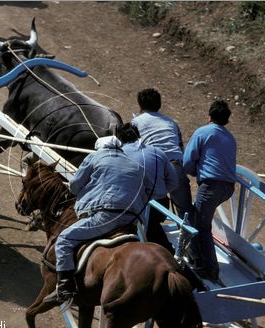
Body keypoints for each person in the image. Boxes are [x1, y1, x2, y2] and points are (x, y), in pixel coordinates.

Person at [43, 136, 151, 304]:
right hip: (132, 220)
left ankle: (64, 287)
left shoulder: (94, 157)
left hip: (106, 216)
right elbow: (148, 190)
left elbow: (75, 185)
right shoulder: (137, 165)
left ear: (100, 147)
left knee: (64, 239)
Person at [183, 100, 236, 281]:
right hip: (227, 187)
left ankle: (207, 268)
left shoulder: (203, 132)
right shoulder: (230, 138)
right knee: (200, 220)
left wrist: (191, 172)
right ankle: (199, 260)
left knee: (198, 225)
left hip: (211, 186)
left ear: (209, 116)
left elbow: (188, 160)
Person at [131, 88, 194, 223]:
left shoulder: (136, 122)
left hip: (154, 168)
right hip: (176, 166)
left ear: (140, 105)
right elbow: (180, 147)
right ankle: (190, 239)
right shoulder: (171, 122)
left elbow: (133, 149)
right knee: (185, 211)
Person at [116, 122, 178, 253]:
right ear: (138, 135)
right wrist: (159, 192)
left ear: (119, 139)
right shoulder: (158, 152)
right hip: (161, 206)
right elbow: (173, 182)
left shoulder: (118, 155)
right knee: (154, 229)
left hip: (135, 208)